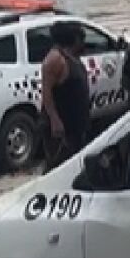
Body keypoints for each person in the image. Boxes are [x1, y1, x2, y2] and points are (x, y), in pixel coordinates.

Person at [41, 22, 89, 172]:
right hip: (63, 124)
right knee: (59, 165)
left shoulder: (72, 57)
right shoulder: (55, 60)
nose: (84, 44)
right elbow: (46, 93)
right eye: (81, 39)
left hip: (75, 123)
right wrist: (55, 120)